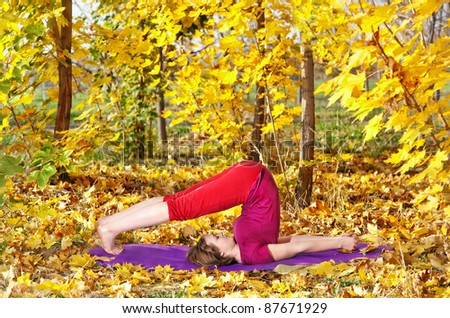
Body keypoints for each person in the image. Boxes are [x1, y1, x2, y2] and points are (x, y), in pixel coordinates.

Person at [97, 160, 359, 266]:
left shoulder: (247, 248)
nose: (219, 233)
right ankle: (110, 225)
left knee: (176, 202)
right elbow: (297, 244)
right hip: (250, 179)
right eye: (217, 239)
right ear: (220, 254)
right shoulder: (252, 253)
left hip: (251, 178)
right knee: (178, 204)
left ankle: (110, 225)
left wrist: (337, 241)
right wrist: (338, 241)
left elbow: (296, 244)